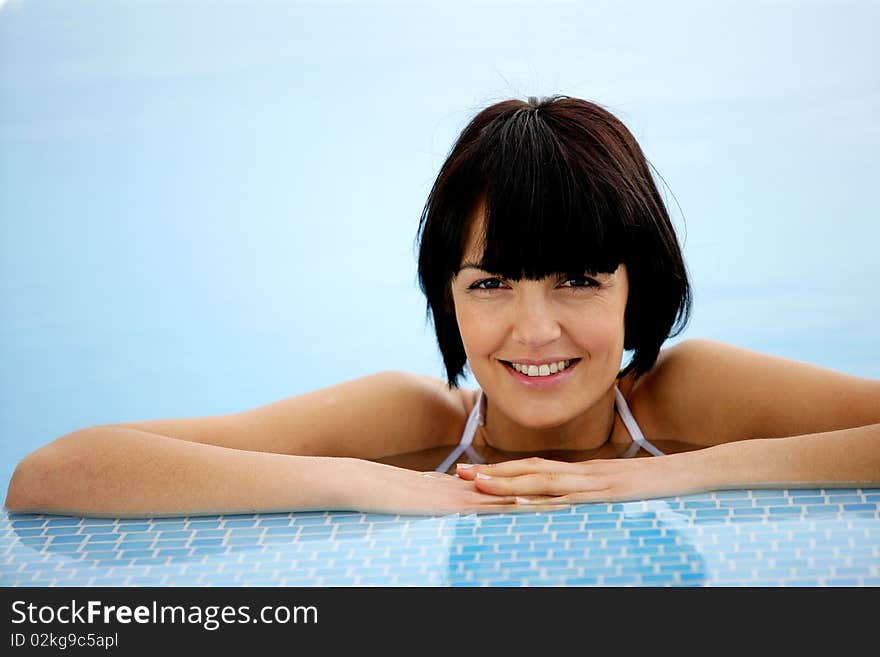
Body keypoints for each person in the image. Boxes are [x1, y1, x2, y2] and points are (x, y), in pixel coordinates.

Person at [5, 95, 879, 518]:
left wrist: (682, 467)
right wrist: (362, 480)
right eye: (491, 283)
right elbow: (49, 474)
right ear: (447, 299)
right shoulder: (409, 420)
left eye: (577, 279)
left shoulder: (685, 399)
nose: (535, 330)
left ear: (635, 286)